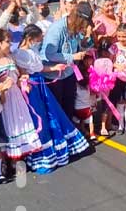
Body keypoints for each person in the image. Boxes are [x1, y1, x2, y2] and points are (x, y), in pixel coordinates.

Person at [15, 25, 90, 173]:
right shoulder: (21, 53)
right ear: (30, 39)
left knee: (51, 115)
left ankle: (56, 151)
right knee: (40, 118)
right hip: (31, 87)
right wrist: (25, 80)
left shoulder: (31, 51)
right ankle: (43, 155)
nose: (39, 42)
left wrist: (55, 68)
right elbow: (24, 71)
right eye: (38, 39)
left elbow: (40, 68)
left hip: (40, 84)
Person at [0, 29, 42, 160]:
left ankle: (20, 157)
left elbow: (17, 75)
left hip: (16, 96)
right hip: (4, 98)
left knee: (20, 123)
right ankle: (8, 160)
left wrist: (22, 80)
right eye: (7, 42)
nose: (10, 45)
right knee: (10, 125)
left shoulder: (9, 57)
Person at [40, 2, 92, 120]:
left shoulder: (75, 29)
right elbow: (49, 54)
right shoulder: (57, 29)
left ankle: (70, 131)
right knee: (57, 108)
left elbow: (80, 45)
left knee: (69, 105)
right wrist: (72, 56)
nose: (84, 27)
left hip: (69, 72)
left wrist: (88, 38)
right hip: (54, 75)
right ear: (77, 19)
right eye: (84, 24)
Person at [73, 55, 97, 140]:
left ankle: (80, 132)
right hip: (87, 109)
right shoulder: (87, 88)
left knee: (77, 121)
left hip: (77, 108)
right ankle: (92, 133)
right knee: (90, 120)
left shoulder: (76, 87)